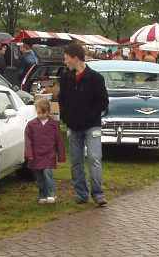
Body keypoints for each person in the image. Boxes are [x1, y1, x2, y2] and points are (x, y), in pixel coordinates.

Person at [58, 42, 109, 206]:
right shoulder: (66, 77)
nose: (65, 62)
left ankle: (98, 193)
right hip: (73, 127)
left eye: (66, 59)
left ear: (75, 58)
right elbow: (62, 100)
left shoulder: (95, 78)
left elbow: (103, 102)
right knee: (76, 161)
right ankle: (81, 194)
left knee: (94, 158)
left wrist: (89, 116)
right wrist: (67, 118)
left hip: (92, 125)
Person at [24, 99, 66, 204]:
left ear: (48, 112)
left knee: (48, 174)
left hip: (49, 155)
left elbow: (59, 140)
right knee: (39, 178)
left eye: (43, 112)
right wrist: (29, 154)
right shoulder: (31, 125)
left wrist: (61, 155)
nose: (41, 115)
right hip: (36, 156)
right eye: (38, 113)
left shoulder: (54, 124)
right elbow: (28, 140)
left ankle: (51, 194)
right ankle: (42, 195)